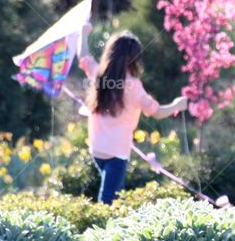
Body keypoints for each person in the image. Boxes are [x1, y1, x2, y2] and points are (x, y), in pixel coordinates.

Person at [78, 27, 187, 204]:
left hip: (97, 150)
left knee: (114, 195)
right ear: (134, 59)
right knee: (109, 201)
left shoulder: (99, 75)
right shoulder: (134, 86)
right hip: (117, 153)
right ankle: (101, 228)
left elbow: (83, 57)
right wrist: (177, 105)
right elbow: (156, 112)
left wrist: (83, 33)